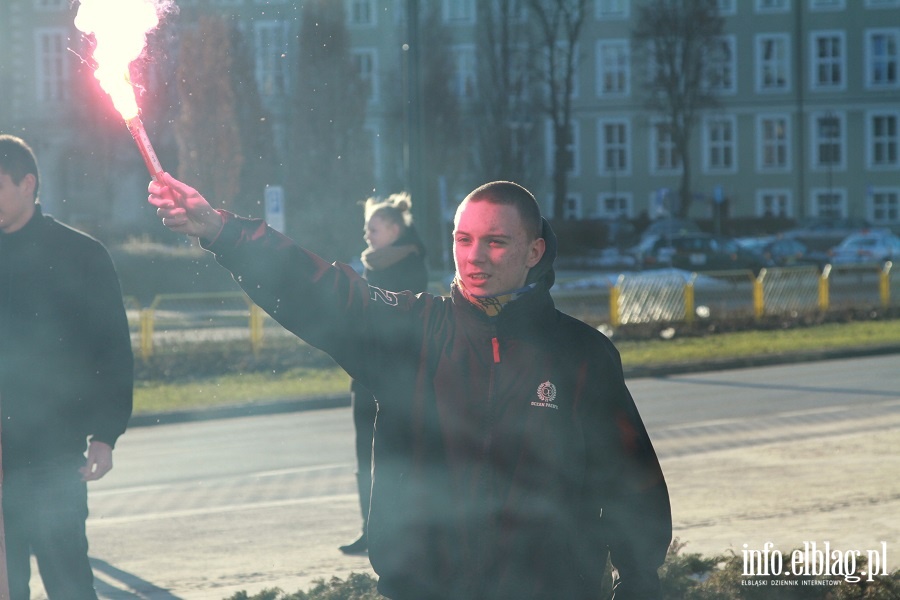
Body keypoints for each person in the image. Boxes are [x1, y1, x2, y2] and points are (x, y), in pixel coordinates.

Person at [149, 172, 671, 600]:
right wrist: (220, 230)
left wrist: (639, 581)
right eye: (464, 240)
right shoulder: (414, 332)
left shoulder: (581, 355)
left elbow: (631, 481)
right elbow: (320, 291)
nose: (474, 256)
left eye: (495, 241)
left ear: (534, 251)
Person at [0, 134, 134, 599]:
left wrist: (105, 432)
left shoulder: (79, 255)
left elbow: (112, 349)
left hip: (52, 457)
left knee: (68, 582)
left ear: (27, 183)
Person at [341, 193, 428, 555]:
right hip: (367, 374)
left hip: (397, 376)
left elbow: (399, 322)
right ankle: (371, 530)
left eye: (373, 227)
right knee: (366, 456)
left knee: (395, 457)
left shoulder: (409, 265)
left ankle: (402, 531)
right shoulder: (373, 263)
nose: (366, 233)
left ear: (395, 229)